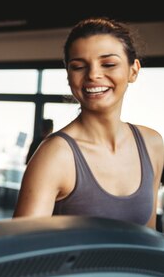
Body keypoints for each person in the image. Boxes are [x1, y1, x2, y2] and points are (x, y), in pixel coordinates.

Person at [13, 17, 164, 229]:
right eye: (78, 67)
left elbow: (147, 239)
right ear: (68, 76)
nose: (93, 74)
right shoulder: (55, 155)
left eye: (109, 64)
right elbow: (22, 251)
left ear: (134, 70)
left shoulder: (152, 144)